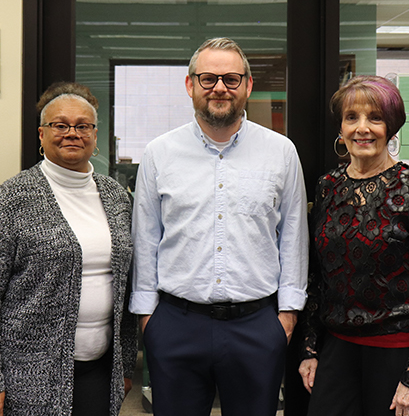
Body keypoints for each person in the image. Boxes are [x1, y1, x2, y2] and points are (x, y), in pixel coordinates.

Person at [130, 37, 309, 416]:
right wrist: (149, 320)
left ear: (248, 85)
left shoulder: (281, 152)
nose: (220, 88)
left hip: (257, 326)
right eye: (208, 78)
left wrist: (288, 315)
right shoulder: (160, 153)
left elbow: (293, 235)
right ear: (190, 84)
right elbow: (145, 238)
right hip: (176, 324)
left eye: (231, 78)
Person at [0, 82, 137, 416]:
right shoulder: (13, 199)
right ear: (41, 135)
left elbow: (125, 288)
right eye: (60, 125)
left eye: (82, 126)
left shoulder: (116, 197)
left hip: (100, 370)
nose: (72, 133)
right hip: (28, 377)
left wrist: (125, 365)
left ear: (95, 134)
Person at [298, 75, 409, 416]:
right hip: (337, 350)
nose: (362, 128)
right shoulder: (328, 187)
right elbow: (316, 276)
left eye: (375, 118)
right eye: (352, 117)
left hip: (396, 354)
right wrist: (309, 350)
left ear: (391, 127)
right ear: (341, 126)